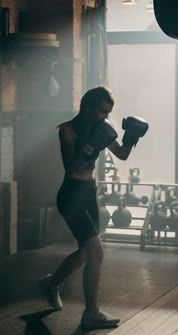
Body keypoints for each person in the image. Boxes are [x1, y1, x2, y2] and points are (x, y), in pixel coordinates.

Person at [39, 86, 148, 331]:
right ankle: (90, 313)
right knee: (96, 252)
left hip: (89, 194)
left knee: (87, 252)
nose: (104, 117)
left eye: (108, 113)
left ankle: (52, 283)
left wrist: (131, 138)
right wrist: (90, 146)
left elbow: (121, 155)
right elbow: (72, 168)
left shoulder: (103, 128)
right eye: (101, 111)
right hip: (72, 195)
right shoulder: (67, 130)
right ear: (87, 105)